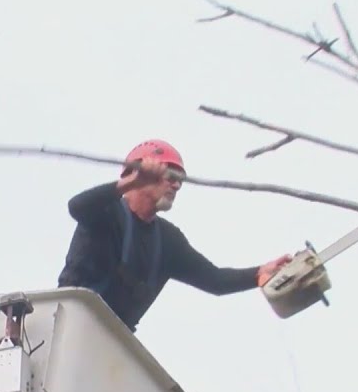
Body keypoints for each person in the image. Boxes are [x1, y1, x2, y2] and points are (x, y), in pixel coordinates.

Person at [57, 139, 292, 332]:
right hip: (73, 319)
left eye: (180, 180)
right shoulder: (106, 212)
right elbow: (76, 207)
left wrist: (259, 274)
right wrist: (129, 182)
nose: (177, 186)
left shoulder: (168, 241)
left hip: (114, 340)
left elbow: (215, 280)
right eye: (170, 177)